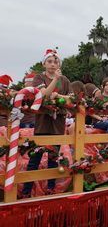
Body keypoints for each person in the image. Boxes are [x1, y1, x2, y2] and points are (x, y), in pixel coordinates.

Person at [22, 49, 71, 197]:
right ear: (44, 63)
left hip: (58, 123)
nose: (53, 64)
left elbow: (71, 98)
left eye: (55, 61)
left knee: (53, 158)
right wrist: (55, 81)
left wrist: (58, 95)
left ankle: (50, 189)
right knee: (35, 158)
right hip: (42, 123)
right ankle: (26, 191)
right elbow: (43, 94)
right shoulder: (39, 78)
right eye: (49, 61)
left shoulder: (66, 80)